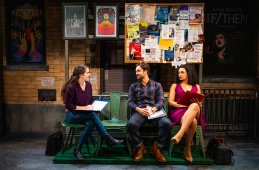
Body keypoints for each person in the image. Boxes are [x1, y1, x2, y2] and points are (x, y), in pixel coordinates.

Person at [61, 65, 123, 160]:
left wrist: (92, 106)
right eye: (87, 72)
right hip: (72, 115)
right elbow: (68, 106)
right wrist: (84, 107)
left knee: (90, 123)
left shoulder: (89, 85)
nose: (89, 74)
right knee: (92, 115)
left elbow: (89, 101)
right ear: (81, 75)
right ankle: (108, 138)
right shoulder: (72, 87)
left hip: (85, 114)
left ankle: (77, 149)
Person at [127, 61, 172, 163]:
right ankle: (140, 147)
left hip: (154, 111)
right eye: (136, 71)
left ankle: (156, 148)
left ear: (145, 71)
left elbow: (161, 101)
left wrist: (153, 109)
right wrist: (139, 109)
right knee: (130, 124)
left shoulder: (157, 85)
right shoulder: (133, 86)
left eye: (138, 71)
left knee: (167, 124)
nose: (136, 73)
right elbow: (130, 102)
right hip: (140, 112)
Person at [168, 64, 205, 162]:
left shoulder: (196, 86)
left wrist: (199, 104)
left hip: (194, 110)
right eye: (178, 72)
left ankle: (179, 134)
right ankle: (187, 148)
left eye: (182, 72)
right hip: (179, 111)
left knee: (195, 105)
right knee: (193, 122)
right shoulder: (175, 86)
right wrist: (183, 105)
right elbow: (170, 101)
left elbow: (199, 102)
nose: (179, 74)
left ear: (188, 73)